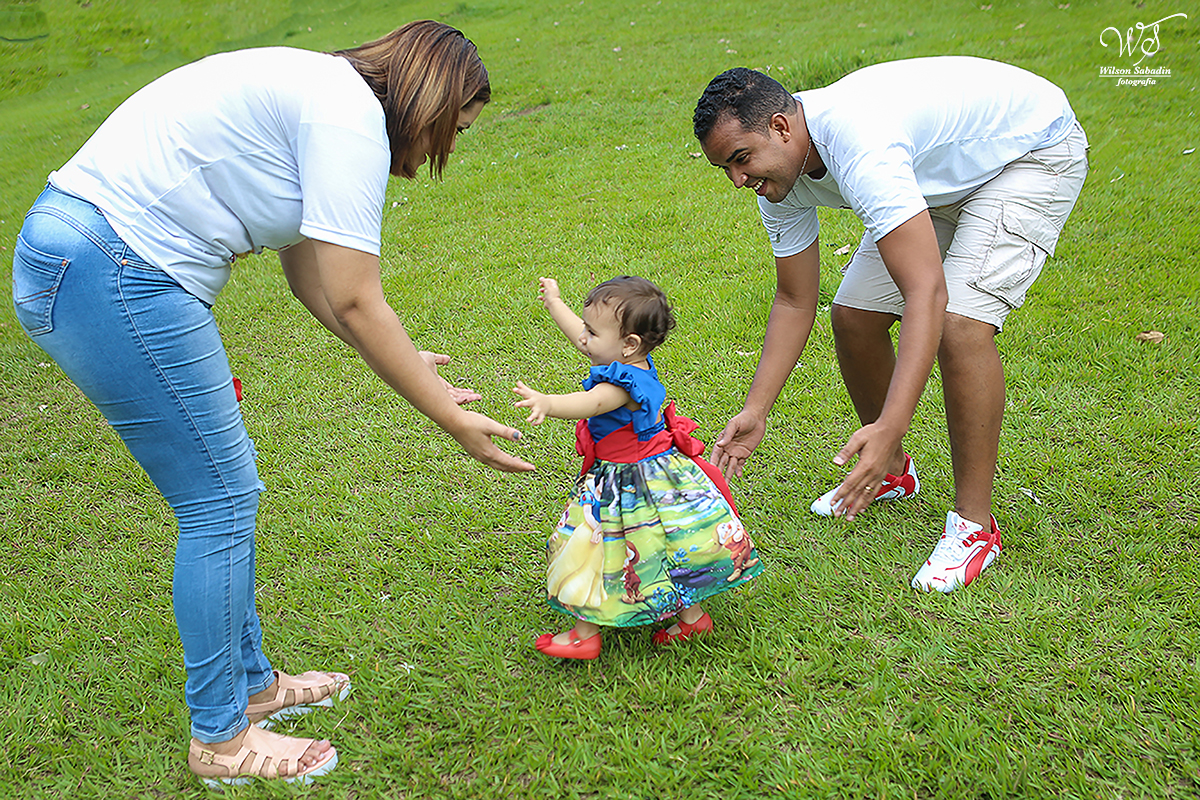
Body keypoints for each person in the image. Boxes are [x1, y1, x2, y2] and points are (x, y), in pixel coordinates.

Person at [11, 20, 534, 788]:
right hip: (113, 267)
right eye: (451, 130)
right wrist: (448, 415)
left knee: (227, 491)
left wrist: (406, 362)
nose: (434, 156)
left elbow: (310, 281)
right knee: (218, 500)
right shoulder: (348, 117)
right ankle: (219, 740)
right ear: (425, 102)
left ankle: (253, 687)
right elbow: (358, 302)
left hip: (89, 251)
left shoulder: (321, 94)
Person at [693, 57, 1088, 593]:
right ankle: (893, 471)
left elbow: (926, 292)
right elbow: (794, 299)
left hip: (1029, 153)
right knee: (854, 315)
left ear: (781, 127)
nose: (739, 181)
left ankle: (974, 528)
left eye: (741, 159)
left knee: (959, 325)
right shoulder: (777, 175)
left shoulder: (859, 143)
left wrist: (890, 424)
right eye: (727, 169)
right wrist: (756, 409)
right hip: (938, 175)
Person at [513, 276, 763, 660]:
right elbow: (581, 339)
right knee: (662, 546)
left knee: (593, 548)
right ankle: (691, 618)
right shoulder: (628, 360)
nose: (584, 338)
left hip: (626, 483)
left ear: (628, 344)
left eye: (592, 331)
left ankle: (585, 633)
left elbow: (591, 403)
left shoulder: (621, 386)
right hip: (655, 475)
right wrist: (554, 303)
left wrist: (548, 402)